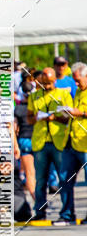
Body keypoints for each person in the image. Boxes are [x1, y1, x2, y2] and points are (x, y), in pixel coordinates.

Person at [26, 68, 73, 221]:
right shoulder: (34, 96)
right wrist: (37, 118)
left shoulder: (63, 94)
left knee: (64, 179)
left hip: (59, 142)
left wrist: (54, 118)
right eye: (44, 83)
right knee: (40, 181)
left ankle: (66, 212)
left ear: (55, 81)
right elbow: (29, 118)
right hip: (40, 143)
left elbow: (69, 118)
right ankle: (40, 212)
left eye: (50, 83)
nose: (47, 86)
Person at [55, 62, 87, 226]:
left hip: (85, 144)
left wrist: (80, 112)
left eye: (77, 80)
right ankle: (67, 214)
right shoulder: (78, 93)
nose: (75, 84)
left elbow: (81, 113)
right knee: (64, 179)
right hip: (71, 142)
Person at [14, 74, 36, 199]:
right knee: (40, 173)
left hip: (24, 140)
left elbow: (15, 128)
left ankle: (36, 200)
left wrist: (15, 145)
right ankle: (40, 197)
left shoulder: (17, 109)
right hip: (38, 139)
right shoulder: (36, 106)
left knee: (29, 173)